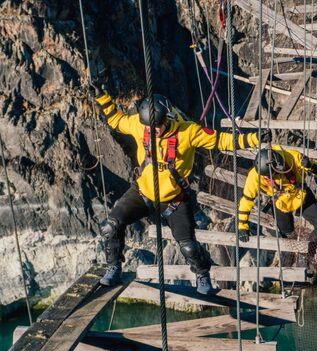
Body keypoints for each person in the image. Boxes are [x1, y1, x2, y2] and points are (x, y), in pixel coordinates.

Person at [94, 90, 269, 294]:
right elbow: (116, 121)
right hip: (142, 193)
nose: (154, 131)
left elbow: (222, 141)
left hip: (174, 200)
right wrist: (103, 97)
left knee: (189, 247)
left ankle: (202, 274)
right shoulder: (139, 125)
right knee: (110, 226)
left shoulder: (188, 132)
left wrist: (253, 140)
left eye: (157, 126)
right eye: (150, 127)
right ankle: (114, 267)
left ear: (167, 119)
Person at [236, 145, 317, 265]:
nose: (272, 177)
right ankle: (287, 275)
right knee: (287, 240)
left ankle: (304, 256)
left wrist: (310, 165)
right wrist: (242, 227)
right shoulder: (254, 177)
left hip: (299, 195)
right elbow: (246, 200)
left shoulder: (292, 157)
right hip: (280, 202)